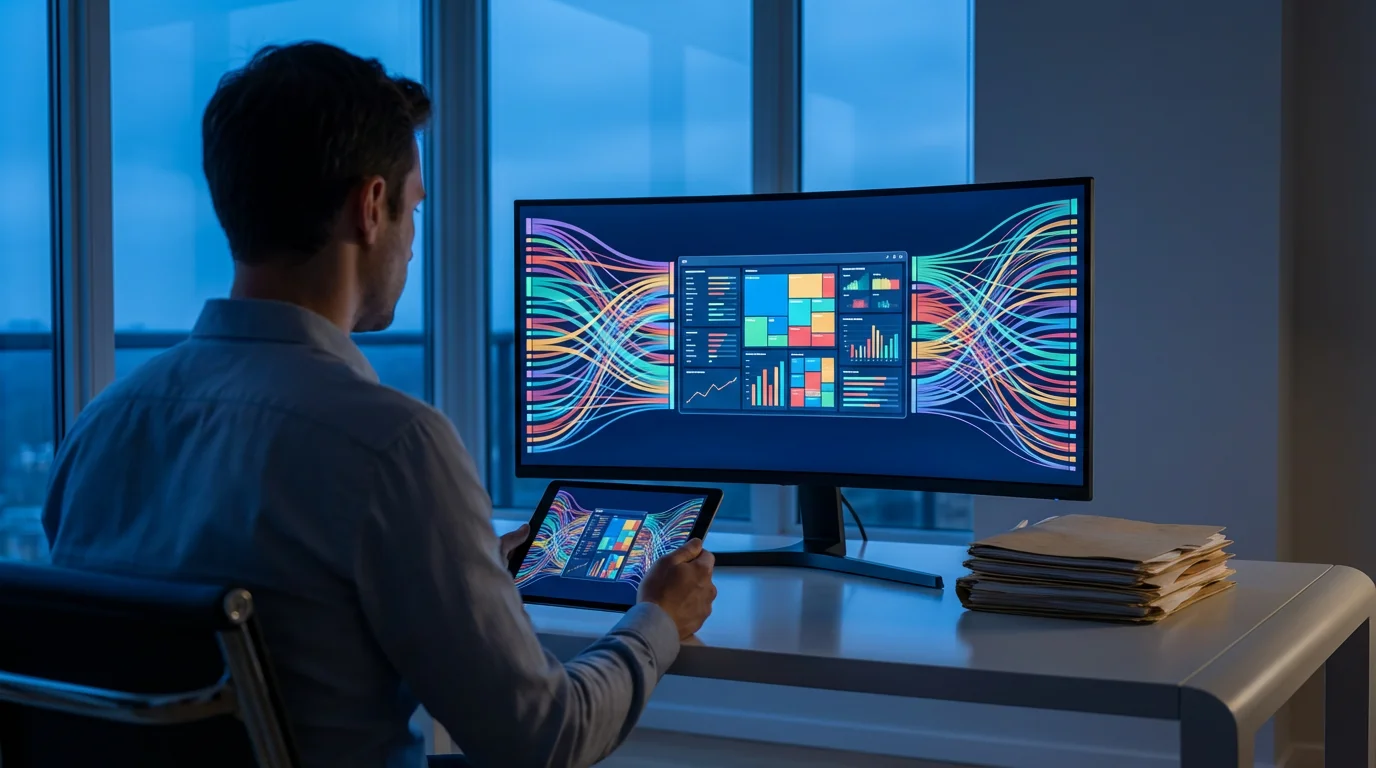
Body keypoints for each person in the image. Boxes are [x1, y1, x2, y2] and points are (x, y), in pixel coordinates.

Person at [41, 42, 716, 768]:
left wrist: (456, 565)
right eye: (413, 207)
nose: (413, 243)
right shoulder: (392, 446)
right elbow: (544, 738)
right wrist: (657, 620)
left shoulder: (101, 427)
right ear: (370, 208)